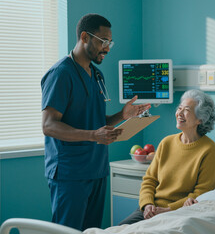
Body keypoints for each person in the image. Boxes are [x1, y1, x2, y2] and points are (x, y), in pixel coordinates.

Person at [41, 13, 150, 231]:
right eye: (103, 41)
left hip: (97, 169)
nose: (107, 48)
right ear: (84, 37)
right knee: (68, 230)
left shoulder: (97, 75)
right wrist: (93, 135)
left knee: (91, 231)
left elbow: (97, 121)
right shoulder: (61, 74)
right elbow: (49, 125)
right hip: (70, 174)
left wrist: (122, 115)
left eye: (110, 42)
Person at [119, 89, 215, 225]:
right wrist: (147, 204)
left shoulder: (209, 150)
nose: (179, 113)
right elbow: (149, 180)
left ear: (200, 119)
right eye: (179, 108)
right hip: (150, 208)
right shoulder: (166, 142)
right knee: (120, 228)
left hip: (178, 212)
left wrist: (168, 209)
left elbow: (201, 193)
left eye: (187, 110)